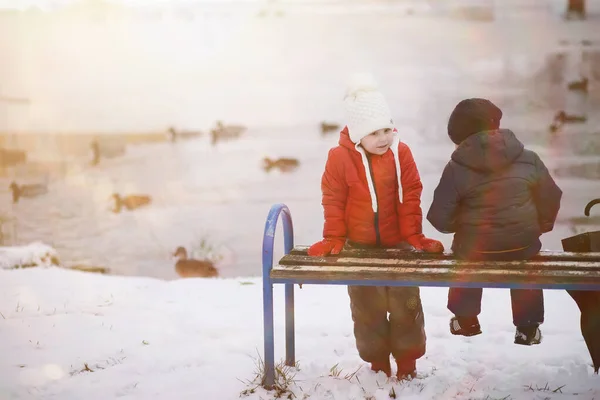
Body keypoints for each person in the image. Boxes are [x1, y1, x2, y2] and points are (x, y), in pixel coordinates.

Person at [308, 73, 444, 379]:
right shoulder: (339, 159)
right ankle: (378, 363)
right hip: (359, 246)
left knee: (406, 306)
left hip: (398, 246)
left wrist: (413, 235)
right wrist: (334, 237)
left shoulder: (401, 153)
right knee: (367, 309)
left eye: (387, 129)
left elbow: (411, 193)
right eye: (374, 133)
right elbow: (332, 198)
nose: (383, 138)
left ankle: (407, 363)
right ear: (357, 135)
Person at [427, 98, 562, 345]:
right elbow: (551, 197)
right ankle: (528, 327)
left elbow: (439, 217)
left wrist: (466, 227)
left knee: (466, 255)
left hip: (475, 248)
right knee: (527, 262)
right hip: (523, 244)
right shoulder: (529, 158)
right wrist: (538, 227)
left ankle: (465, 320)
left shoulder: (456, 167)